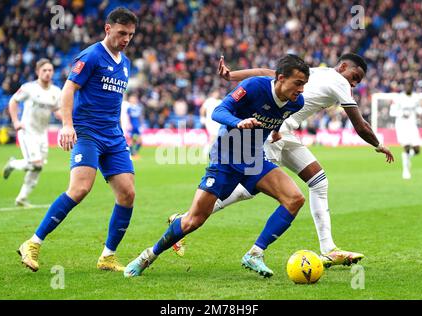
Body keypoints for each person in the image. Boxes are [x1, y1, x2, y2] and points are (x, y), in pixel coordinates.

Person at [170, 53, 395, 268]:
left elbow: (264, 72)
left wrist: (232, 75)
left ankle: (328, 249)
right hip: (273, 132)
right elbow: (359, 124)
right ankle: (186, 220)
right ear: (343, 67)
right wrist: (378, 144)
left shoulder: (315, 73)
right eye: (355, 77)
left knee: (318, 181)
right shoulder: (338, 81)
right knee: (250, 189)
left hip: (285, 133)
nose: (354, 84)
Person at [124, 54, 310, 278]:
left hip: (253, 159)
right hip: (226, 156)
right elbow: (218, 112)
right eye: (298, 83)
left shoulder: (296, 102)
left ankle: (255, 253)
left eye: (304, 85)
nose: (301, 89)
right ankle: (148, 256)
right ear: (280, 78)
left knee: (294, 199)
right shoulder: (253, 87)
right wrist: (238, 122)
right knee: (194, 220)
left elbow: (277, 114)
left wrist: (276, 130)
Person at [17, 7, 138, 272]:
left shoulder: (126, 64)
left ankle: (107, 256)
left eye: (130, 34)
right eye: (121, 33)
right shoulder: (91, 56)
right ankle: (33, 242)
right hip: (87, 133)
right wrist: (67, 125)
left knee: (128, 194)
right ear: (108, 29)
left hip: (113, 136)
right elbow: (69, 89)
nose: (126, 39)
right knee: (80, 189)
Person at [3, 58, 62, 207]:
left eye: (50, 70)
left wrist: (68, 122)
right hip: (27, 131)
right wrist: (16, 121)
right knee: (35, 163)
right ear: (37, 72)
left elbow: (57, 111)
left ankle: (22, 198)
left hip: (43, 134)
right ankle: (13, 163)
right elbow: (13, 101)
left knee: (39, 167)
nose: (47, 73)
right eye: (44, 70)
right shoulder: (29, 88)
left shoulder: (56, 91)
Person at [389, 81, 422, 179]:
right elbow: (392, 112)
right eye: (406, 85)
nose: (408, 87)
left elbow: (418, 109)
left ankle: (407, 159)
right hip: (401, 125)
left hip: (412, 125)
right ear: (404, 87)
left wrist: (420, 111)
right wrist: (401, 114)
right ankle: (406, 171)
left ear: (412, 87)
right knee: (406, 147)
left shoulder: (416, 97)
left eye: (410, 85)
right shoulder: (399, 98)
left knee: (417, 150)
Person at [200, 89, 222, 156]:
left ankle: (212, 151)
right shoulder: (209, 101)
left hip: (217, 122)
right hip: (210, 121)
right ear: (213, 93)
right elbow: (202, 109)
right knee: (213, 136)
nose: (217, 94)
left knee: (216, 137)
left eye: (218, 93)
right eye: (216, 93)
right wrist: (202, 118)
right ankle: (205, 151)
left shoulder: (220, 101)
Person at [122, 93, 144, 160]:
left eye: (134, 99)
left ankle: (135, 152)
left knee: (140, 140)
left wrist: (142, 124)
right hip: (132, 125)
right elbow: (128, 117)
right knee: (131, 140)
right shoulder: (129, 108)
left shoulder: (138, 107)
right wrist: (129, 124)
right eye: (132, 99)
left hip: (137, 125)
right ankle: (132, 154)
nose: (133, 100)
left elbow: (140, 117)